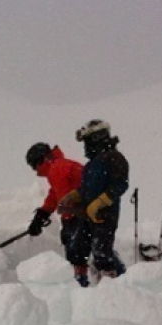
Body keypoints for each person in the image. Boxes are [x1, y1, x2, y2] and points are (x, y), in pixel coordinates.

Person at [58, 119, 129, 281]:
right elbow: (85, 188)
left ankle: (114, 284)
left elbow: (121, 184)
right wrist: (73, 196)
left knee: (101, 251)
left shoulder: (115, 158)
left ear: (97, 138)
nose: (85, 146)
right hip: (86, 214)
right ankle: (79, 283)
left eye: (87, 141)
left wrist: (100, 202)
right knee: (78, 248)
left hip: (105, 216)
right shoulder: (91, 164)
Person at [25, 143, 93, 287]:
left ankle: (80, 284)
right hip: (87, 212)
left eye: (33, 166)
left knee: (76, 251)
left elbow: (65, 199)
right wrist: (41, 215)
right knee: (81, 249)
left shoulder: (58, 169)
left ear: (40, 160)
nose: (35, 170)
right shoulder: (60, 166)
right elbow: (54, 195)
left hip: (80, 214)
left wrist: (68, 225)